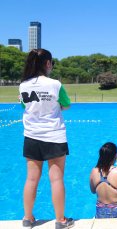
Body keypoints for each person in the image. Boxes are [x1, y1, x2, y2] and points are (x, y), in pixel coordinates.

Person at [19, 49, 74, 229]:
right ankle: (60, 221)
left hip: (31, 136)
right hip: (54, 135)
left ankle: (27, 219)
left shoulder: (23, 85)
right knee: (56, 180)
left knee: (31, 179)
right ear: (48, 63)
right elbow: (66, 105)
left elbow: (25, 106)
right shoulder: (55, 84)